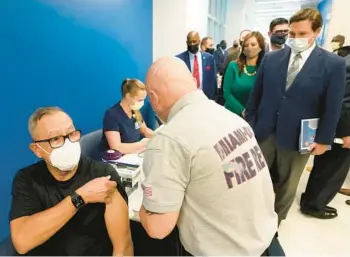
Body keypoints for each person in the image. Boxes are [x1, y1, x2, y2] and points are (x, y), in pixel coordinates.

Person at [139, 57, 281, 256]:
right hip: (266, 243)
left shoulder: (170, 138)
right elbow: (225, 177)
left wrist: (144, 207)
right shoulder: (232, 119)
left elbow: (157, 228)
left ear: (153, 97)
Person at [245, 8, 346, 224]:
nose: (295, 38)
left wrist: (323, 139)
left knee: (288, 184)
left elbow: (333, 106)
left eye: (302, 34)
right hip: (263, 130)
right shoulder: (272, 59)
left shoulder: (333, 64)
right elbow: (256, 95)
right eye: (292, 34)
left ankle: (274, 223)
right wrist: (250, 124)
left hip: (300, 136)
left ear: (316, 31)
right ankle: (250, 218)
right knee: (253, 178)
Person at [9, 107, 132, 255]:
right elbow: (22, 242)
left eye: (71, 134)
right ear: (37, 150)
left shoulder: (103, 175)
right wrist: (80, 197)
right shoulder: (27, 180)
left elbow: (123, 247)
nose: (67, 144)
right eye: (55, 139)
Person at [300, 45, 350, 218]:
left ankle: (312, 200)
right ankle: (314, 205)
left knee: (326, 167)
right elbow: (343, 100)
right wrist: (346, 132)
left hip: (338, 127)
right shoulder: (346, 64)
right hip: (342, 129)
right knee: (332, 169)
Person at [100, 78, 153, 156]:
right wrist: (141, 144)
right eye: (139, 100)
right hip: (117, 159)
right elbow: (116, 147)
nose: (142, 103)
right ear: (128, 96)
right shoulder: (112, 115)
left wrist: (158, 136)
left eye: (143, 100)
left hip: (134, 154)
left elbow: (144, 130)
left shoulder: (135, 111)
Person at [223, 31, 265, 117]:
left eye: (253, 45)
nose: (249, 48)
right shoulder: (233, 66)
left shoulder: (264, 69)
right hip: (232, 114)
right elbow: (227, 92)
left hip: (255, 117)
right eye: (246, 45)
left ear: (260, 47)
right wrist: (242, 111)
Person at [176, 31, 217, 100]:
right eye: (189, 42)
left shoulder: (209, 58)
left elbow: (213, 80)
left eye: (194, 41)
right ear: (186, 42)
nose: (192, 44)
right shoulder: (179, 59)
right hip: (187, 99)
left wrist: (213, 99)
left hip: (205, 99)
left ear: (199, 41)